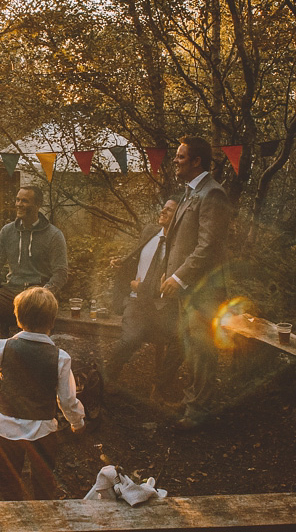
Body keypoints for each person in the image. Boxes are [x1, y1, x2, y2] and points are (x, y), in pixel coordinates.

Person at [0, 287, 85, 501]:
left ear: (17, 318)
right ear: (52, 322)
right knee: (44, 484)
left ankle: (11, 516)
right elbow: (67, 399)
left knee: (8, 483)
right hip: (43, 433)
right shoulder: (60, 358)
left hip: (8, 431)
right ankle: (42, 517)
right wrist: (77, 423)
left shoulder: (1, 348)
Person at [157, 136, 231, 431]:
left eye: (180, 157)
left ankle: (199, 413)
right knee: (190, 347)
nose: (175, 161)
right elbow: (178, 241)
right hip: (187, 288)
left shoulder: (213, 194)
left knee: (202, 350)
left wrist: (179, 276)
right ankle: (192, 404)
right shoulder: (190, 193)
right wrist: (168, 271)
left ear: (197, 161)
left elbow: (208, 246)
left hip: (204, 290)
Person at [0, 185, 68, 342]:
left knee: (33, 323)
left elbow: (60, 273)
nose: (19, 204)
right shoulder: (7, 231)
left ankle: (26, 357)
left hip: (38, 293)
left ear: (37, 205)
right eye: (18, 199)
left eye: (25, 201)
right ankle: (1, 351)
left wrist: (43, 294)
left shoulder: (54, 235)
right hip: (11, 292)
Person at [104, 198, 179, 394]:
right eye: (164, 207)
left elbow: (167, 285)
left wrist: (142, 287)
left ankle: (160, 385)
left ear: (179, 217)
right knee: (131, 339)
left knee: (184, 340)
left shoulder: (179, 246)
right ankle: (106, 380)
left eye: (170, 210)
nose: (163, 211)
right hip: (136, 303)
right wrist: (123, 263)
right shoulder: (150, 232)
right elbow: (138, 261)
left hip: (162, 307)